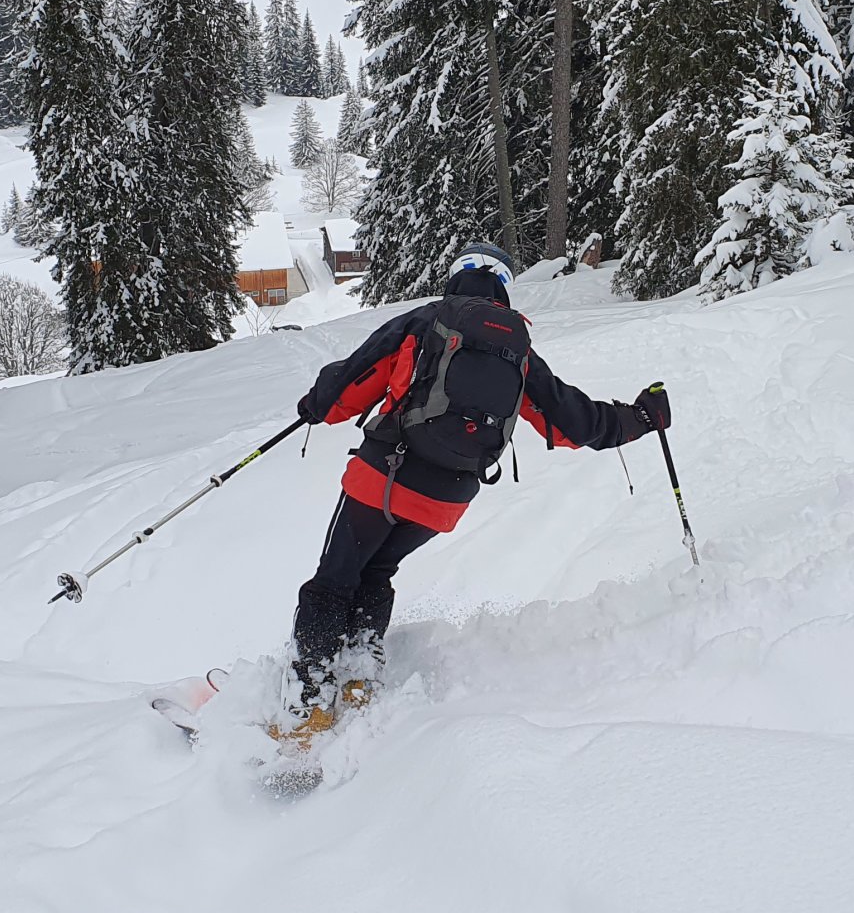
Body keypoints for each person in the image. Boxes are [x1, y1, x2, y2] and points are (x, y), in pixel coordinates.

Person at [281, 243, 671, 740]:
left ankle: (309, 706)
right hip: (445, 500)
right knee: (377, 571)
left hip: (383, 477)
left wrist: (315, 404)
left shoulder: (426, 321)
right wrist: (639, 418)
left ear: (455, 277)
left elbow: (352, 383)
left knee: (334, 580)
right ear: (504, 287)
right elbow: (571, 422)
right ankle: (358, 678)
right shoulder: (517, 349)